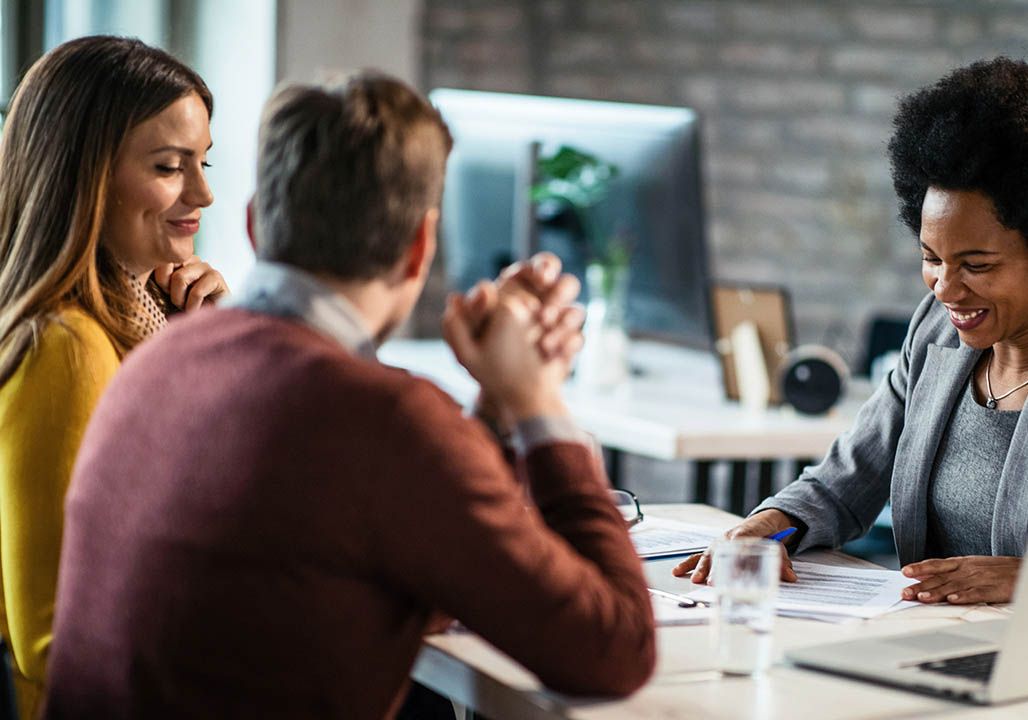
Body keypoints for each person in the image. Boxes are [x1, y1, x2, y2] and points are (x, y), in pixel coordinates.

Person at [44, 71, 655, 719]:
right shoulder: (387, 418)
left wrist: (497, 413)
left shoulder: (155, 357)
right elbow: (614, 653)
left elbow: (426, 559)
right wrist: (540, 402)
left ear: (256, 225)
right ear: (420, 245)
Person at [676, 57, 1028, 605]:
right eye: (932, 258)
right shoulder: (936, 335)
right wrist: (770, 524)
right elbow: (846, 480)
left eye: (976, 265)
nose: (945, 289)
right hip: (926, 648)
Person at [0, 36, 228, 718]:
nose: (204, 194)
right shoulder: (66, 347)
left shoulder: (137, 320)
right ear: (84, 175)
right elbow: (58, 637)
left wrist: (200, 353)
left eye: (204, 163)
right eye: (169, 166)